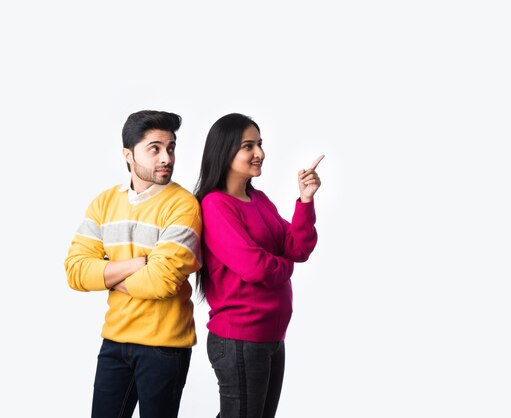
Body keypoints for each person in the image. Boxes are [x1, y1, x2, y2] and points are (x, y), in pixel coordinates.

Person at [65, 110, 202, 418]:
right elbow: (75, 272)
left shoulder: (183, 205)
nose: (166, 157)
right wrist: (139, 263)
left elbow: (160, 283)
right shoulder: (104, 202)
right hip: (114, 341)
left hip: (164, 346)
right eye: (154, 148)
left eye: (171, 147)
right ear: (128, 154)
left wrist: (106, 274)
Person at [193, 113, 323, 418]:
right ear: (225, 152)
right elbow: (255, 267)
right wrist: (286, 267)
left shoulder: (259, 199)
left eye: (260, 144)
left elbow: (297, 247)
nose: (259, 153)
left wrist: (305, 200)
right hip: (240, 339)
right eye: (248, 146)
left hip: (272, 337)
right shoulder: (215, 205)